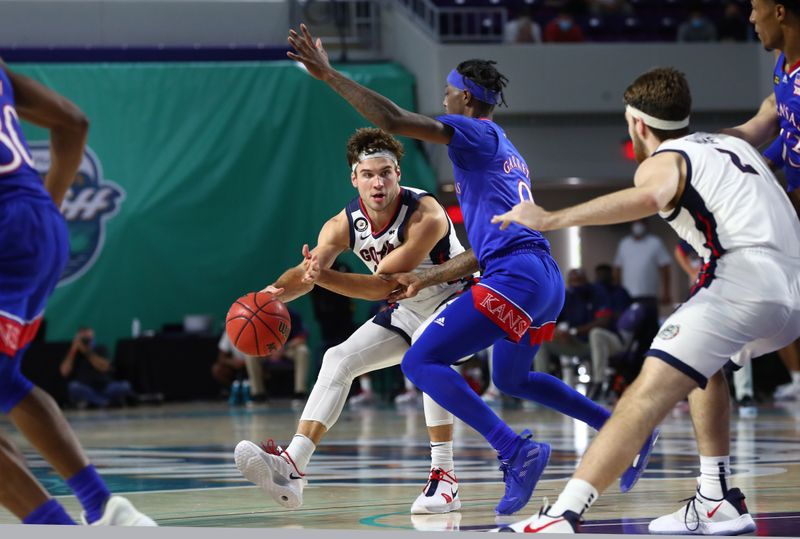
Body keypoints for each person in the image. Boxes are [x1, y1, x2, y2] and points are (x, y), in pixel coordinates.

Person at [285, 25, 656, 516]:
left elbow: (392, 120)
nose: (443, 100)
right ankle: (624, 431)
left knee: (420, 362)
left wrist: (329, 75)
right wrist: (433, 277)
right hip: (542, 276)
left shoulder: (474, 133)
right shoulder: (505, 151)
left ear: (464, 97)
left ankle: (514, 450)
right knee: (514, 377)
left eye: (447, 94)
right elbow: (482, 247)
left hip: (516, 274)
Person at [490, 66, 800, 534]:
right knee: (706, 368)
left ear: (637, 124)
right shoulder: (733, 144)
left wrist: (550, 218)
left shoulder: (663, 159)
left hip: (743, 278)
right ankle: (716, 500)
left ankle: (563, 514)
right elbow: (766, 118)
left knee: (644, 392)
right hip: (793, 291)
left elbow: (651, 195)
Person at [234, 127, 473, 515]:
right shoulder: (343, 223)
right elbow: (306, 272)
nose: (378, 182)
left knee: (428, 358)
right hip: (410, 310)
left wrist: (321, 276)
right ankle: (293, 467)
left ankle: (444, 476)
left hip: (459, 304)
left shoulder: (425, 214)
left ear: (399, 173)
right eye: (368, 174)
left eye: (386, 173)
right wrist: (273, 292)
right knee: (337, 359)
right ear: (354, 177)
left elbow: (383, 286)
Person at [0, 60, 154, 525]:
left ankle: (57, 530)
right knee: (5, 383)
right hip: (38, 221)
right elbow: (74, 121)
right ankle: (104, 506)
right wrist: (45, 205)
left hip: (7, 227)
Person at [728, 0, 800, 402]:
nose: (751, 18)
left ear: (780, 11)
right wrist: (715, 147)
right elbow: (778, 133)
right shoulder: (782, 66)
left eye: (756, 8)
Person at [60, 327, 134, 409]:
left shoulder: (100, 348)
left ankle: (96, 401)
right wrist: (73, 350)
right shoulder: (74, 354)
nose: (85, 339)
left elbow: (104, 367)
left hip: (105, 386)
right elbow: (64, 372)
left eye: (87, 335)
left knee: (125, 386)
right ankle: (104, 402)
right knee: (73, 387)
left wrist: (86, 351)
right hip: (86, 387)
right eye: (82, 336)